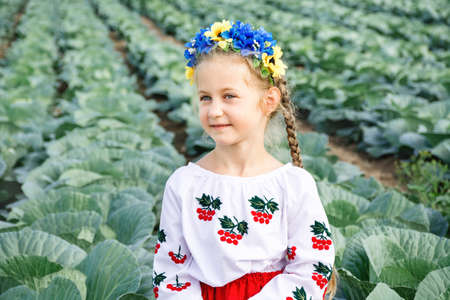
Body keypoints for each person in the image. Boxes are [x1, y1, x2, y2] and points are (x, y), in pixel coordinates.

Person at [152, 20, 338, 300]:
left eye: (229, 96)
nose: (214, 110)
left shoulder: (293, 185)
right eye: (205, 97)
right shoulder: (184, 184)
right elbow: (170, 270)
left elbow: (312, 267)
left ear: (269, 100)